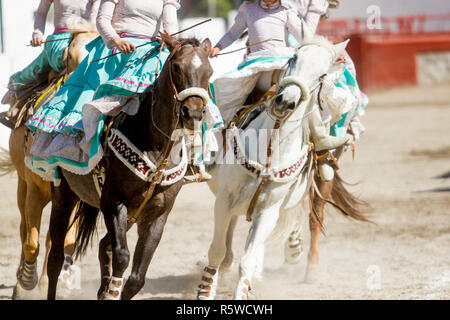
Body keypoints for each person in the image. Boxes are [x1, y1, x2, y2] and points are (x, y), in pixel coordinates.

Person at [24, 0, 183, 184]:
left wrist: (170, 39)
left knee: (179, 90)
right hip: (117, 49)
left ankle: (188, 155)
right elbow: (102, 20)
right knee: (95, 100)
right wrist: (115, 40)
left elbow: (170, 25)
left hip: (150, 51)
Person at [210, 0, 349, 157]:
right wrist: (218, 47)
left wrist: (331, 52)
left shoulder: (287, 11)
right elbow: (232, 33)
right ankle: (224, 140)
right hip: (257, 64)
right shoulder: (248, 10)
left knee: (309, 87)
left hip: (283, 62)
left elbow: (306, 37)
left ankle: (320, 138)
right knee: (229, 90)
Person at [1, 0, 101, 107]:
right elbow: (41, 13)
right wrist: (37, 34)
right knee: (36, 68)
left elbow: (97, 17)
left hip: (88, 37)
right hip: (60, 39)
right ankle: (15, 84)